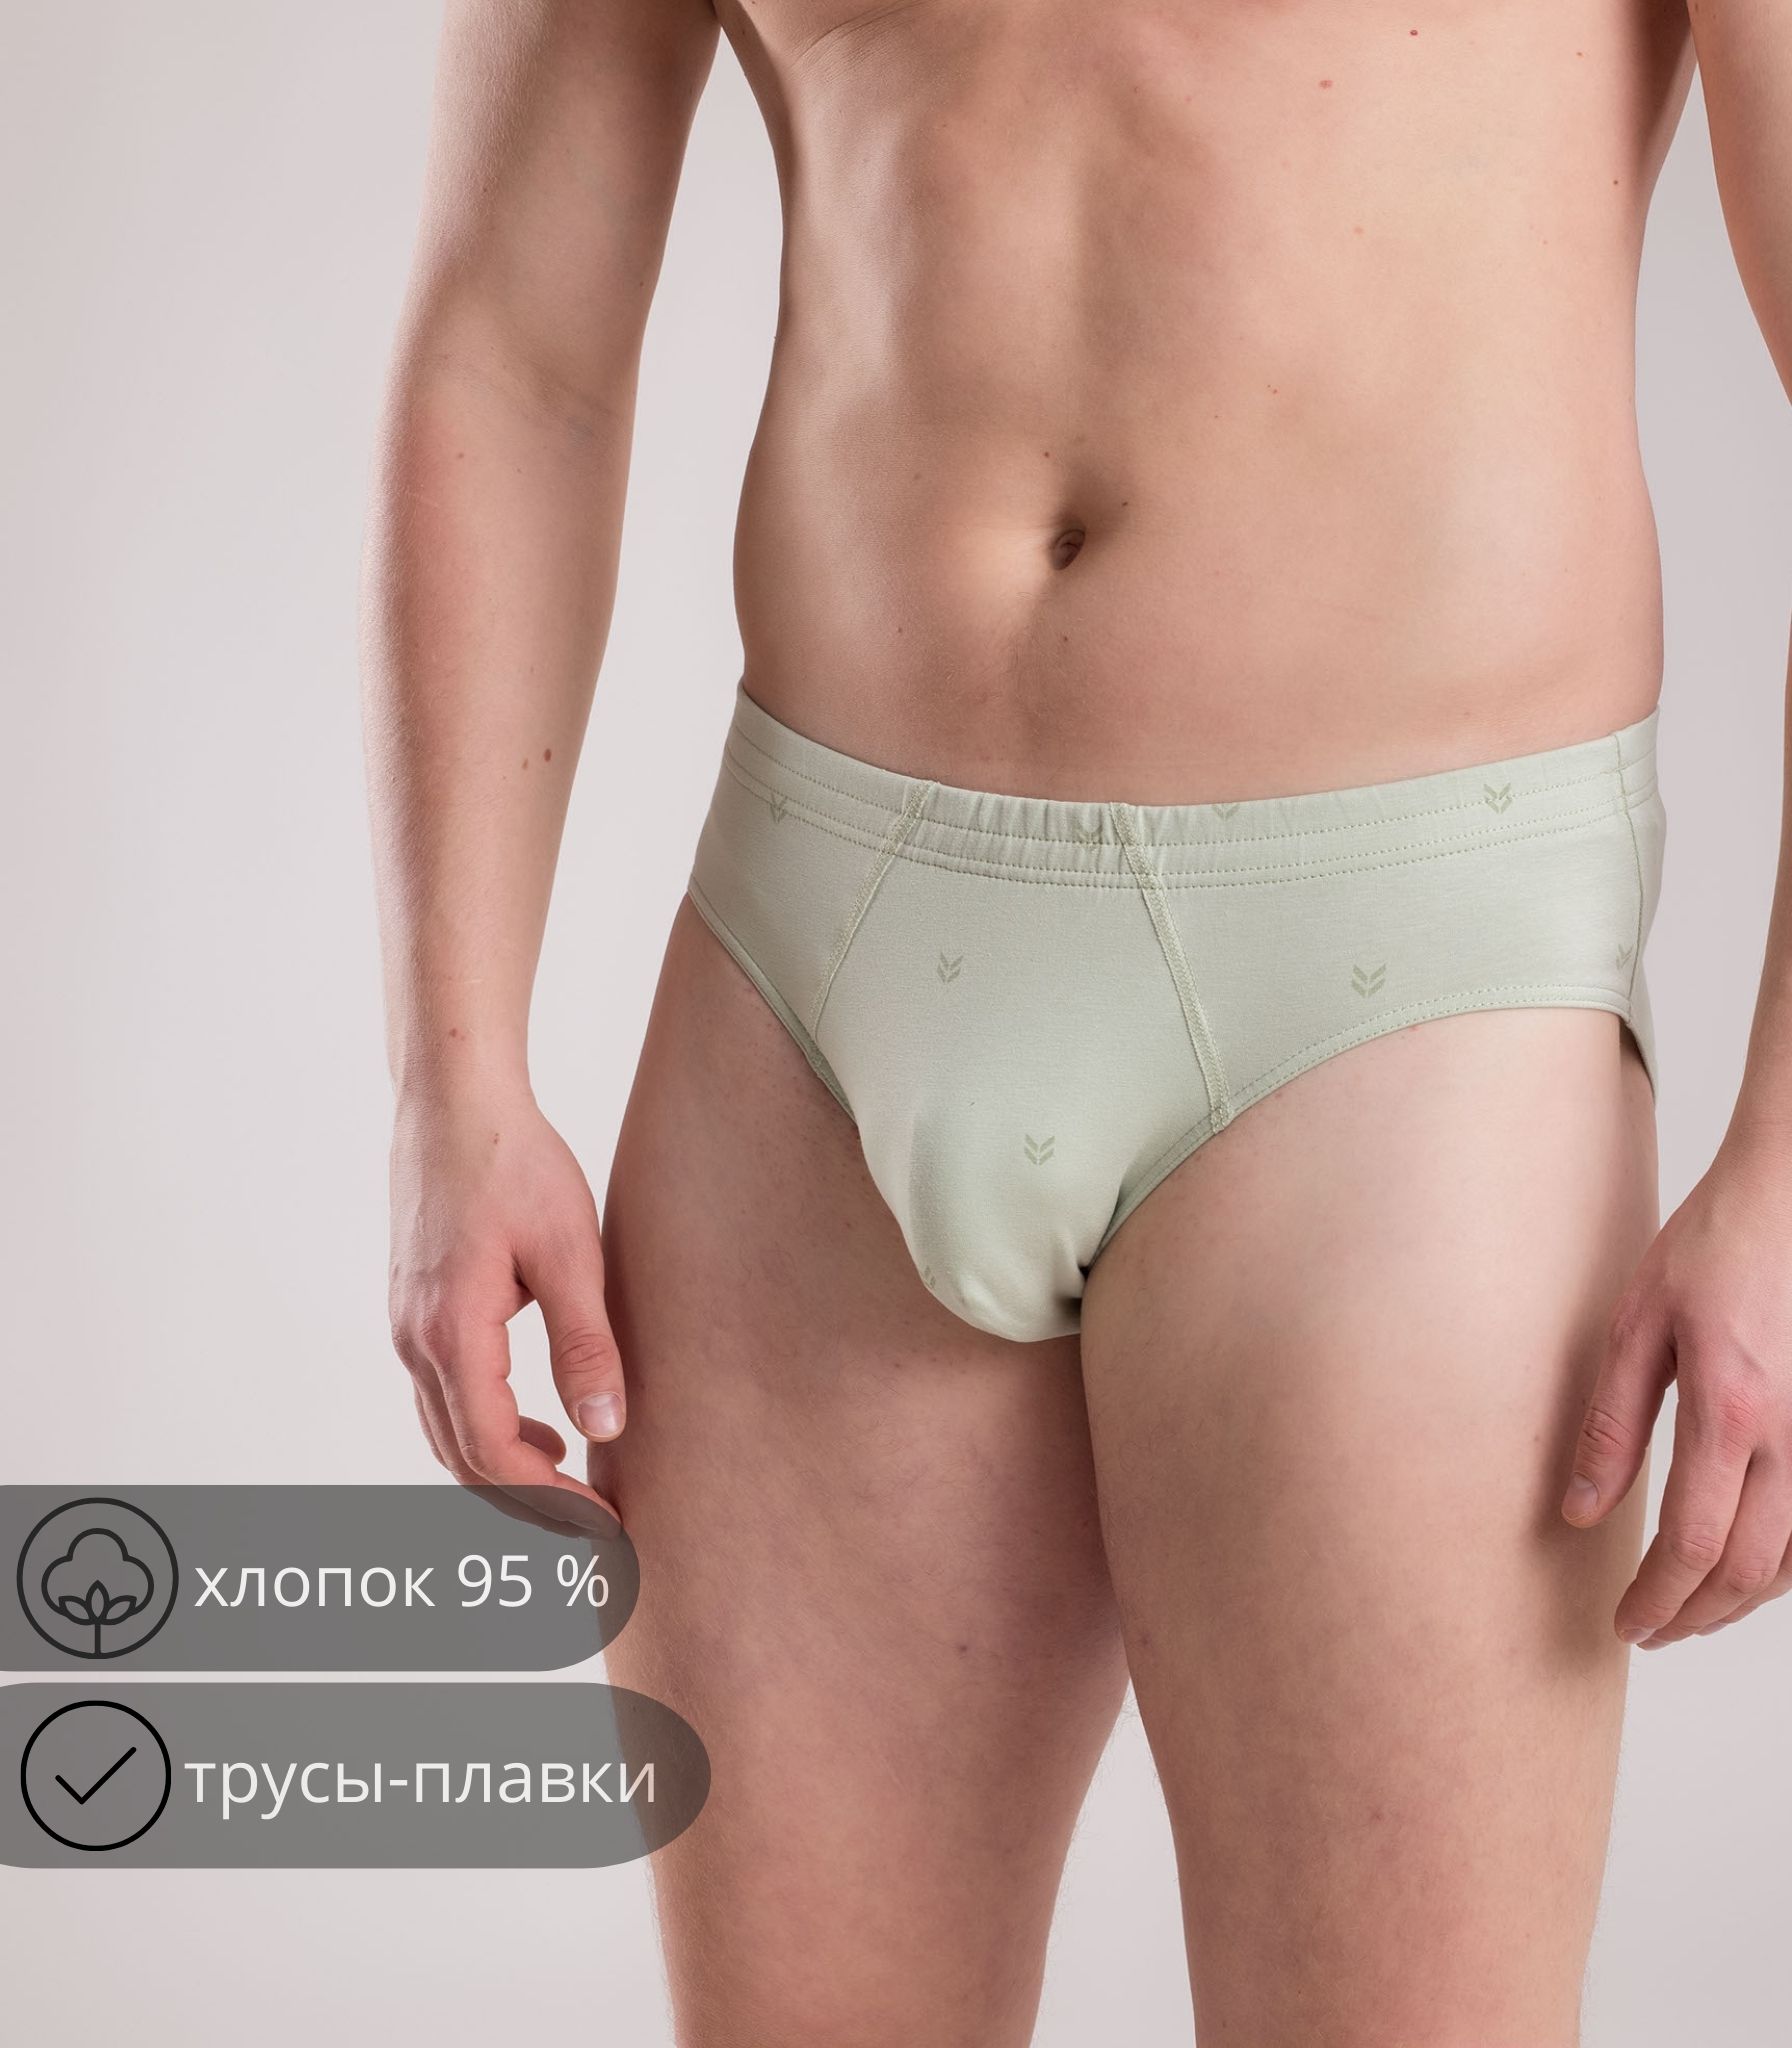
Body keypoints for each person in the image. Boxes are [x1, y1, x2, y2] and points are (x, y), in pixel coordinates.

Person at [360, 3, 1792, 2041]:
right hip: (813, 970)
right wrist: (453, 1077)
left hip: (1404, 999)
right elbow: (515, 345)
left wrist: (1786, 1162)